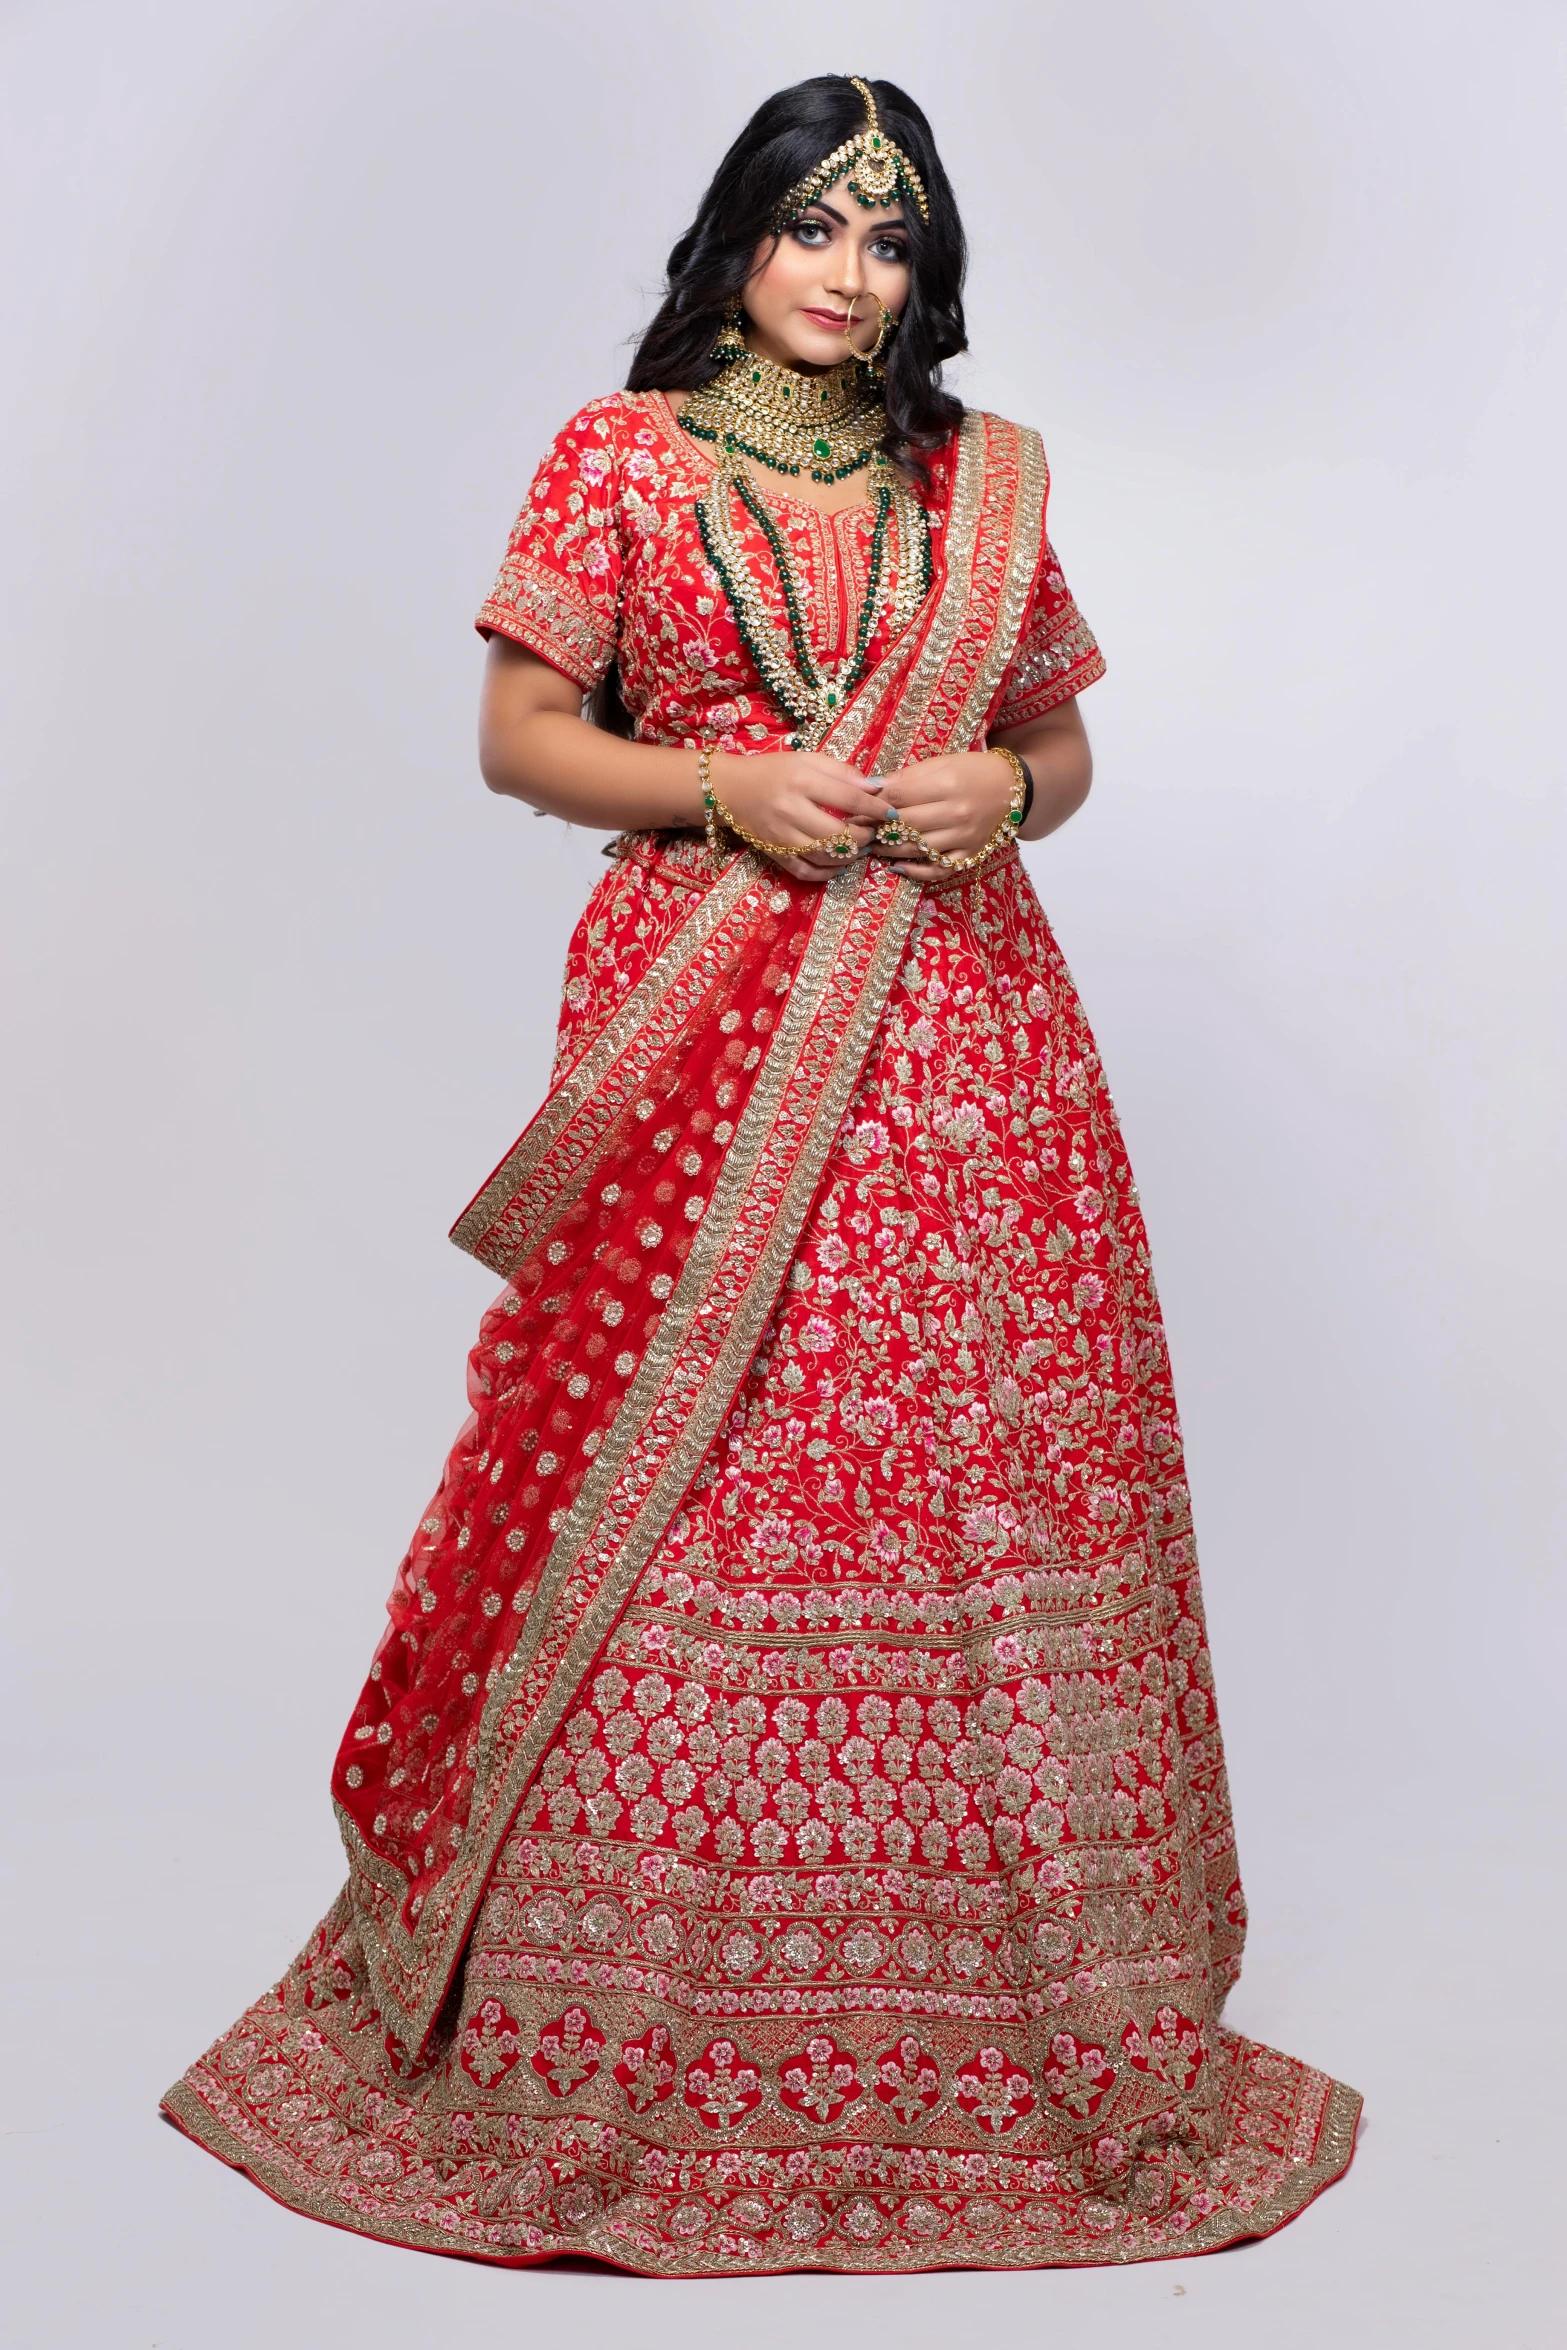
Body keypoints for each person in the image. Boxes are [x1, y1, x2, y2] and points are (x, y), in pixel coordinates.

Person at [163, 73, 1358, 2274]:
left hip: (972, 1033)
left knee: (969, 1476)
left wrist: (1005, 775)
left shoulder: (967, 479)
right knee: (689, 1464)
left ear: (928, 271)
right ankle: (603, 2020)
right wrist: (729, 788)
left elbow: (1062, 738)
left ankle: (1005, 2025)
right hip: (705, 1009)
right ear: (739, 236)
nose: (850, 269)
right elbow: (521, 735)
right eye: (815, 223)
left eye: (891, 238)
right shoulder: (620, 455)